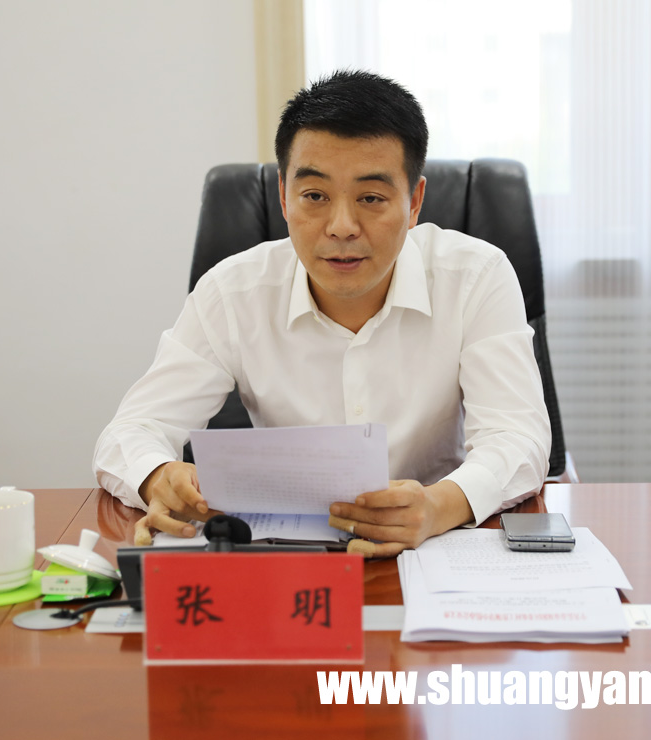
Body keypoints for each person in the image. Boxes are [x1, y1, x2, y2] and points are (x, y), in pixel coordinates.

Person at [93, 70, 551, 557]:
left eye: (371, 198)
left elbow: (516, 436)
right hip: (285, 557)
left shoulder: (476, 277)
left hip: (436, 550)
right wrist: (157, 476)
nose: (342, 226)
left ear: (414, 201)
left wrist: (439, 506)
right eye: (315, 196)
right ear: (284, 197)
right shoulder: (233, 292)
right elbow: (131, 432)